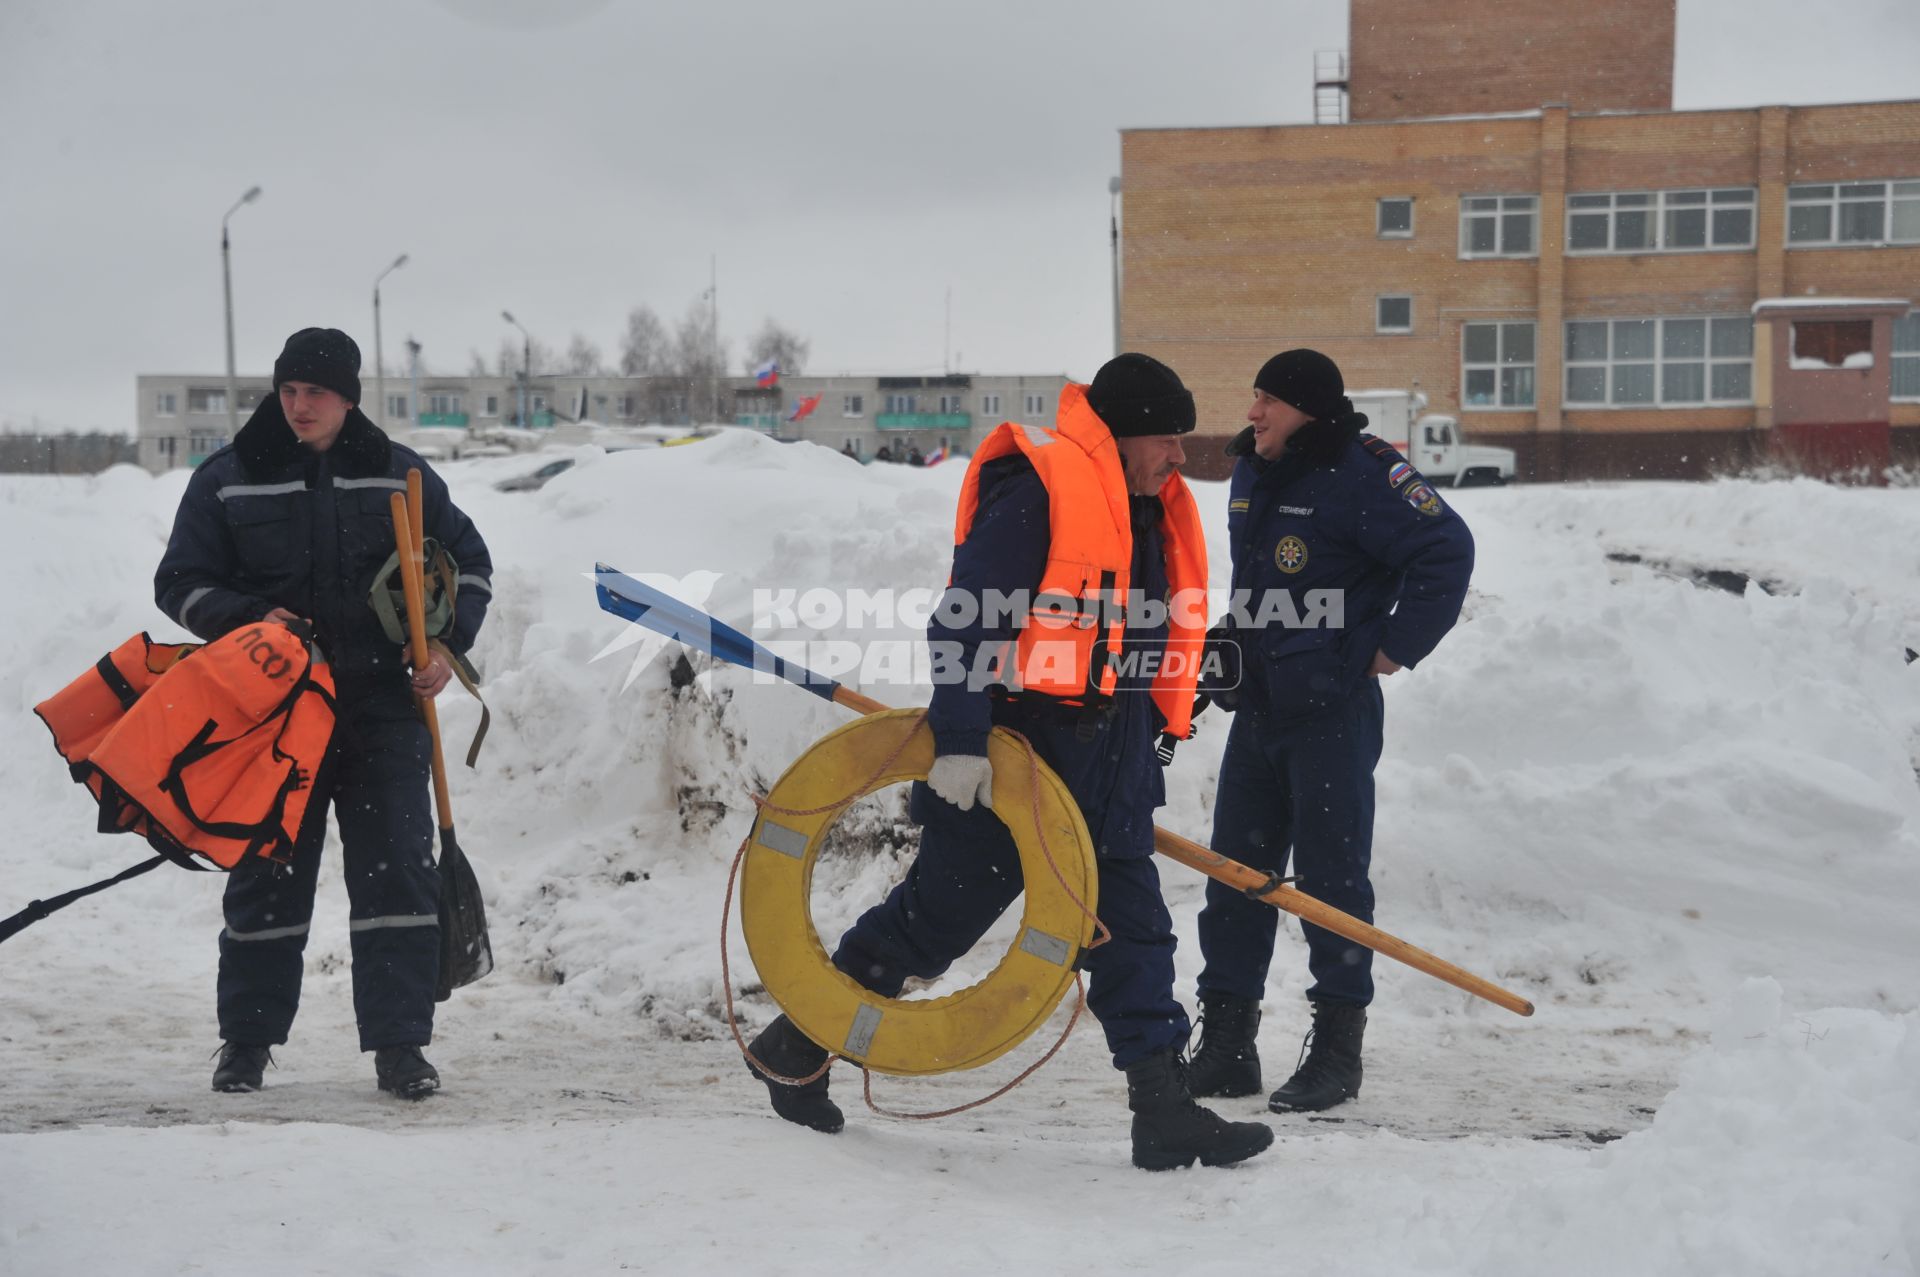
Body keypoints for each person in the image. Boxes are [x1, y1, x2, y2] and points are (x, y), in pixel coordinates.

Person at [746, 354, 1273, 1171]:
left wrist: (1168, 715)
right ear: (1128, 433)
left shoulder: (1145, 507)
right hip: (1020, 751)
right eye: (1167, 439)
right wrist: (959, 741)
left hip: (1111, 755)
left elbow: (1133, 634)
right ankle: (796, 1044)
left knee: (1133, 932)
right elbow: (965, 622)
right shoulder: (1041, 486)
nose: (1178, 458)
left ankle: (1162, 1108)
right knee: (932, 924)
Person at [154, 327, 492, 1100]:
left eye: (316, 392)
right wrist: (251, 619)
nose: (299, 405)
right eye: (289, 390)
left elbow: (469, 562)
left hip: (382, 710)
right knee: (266, 879)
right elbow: (179, 580)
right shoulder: (231, 477)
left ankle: (401, 1047)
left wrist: (446, 646)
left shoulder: (399, 476)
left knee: (399, 879)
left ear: (348, 397)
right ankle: (245, 1041)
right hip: (275, 716)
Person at [1183, 349, 1473, 1114]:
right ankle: (1226, 1045)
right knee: (1234, 879)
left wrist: (1392, 646)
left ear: (1306, 409)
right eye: (1253, 398)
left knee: (1331, 882)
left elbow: (1448, 549)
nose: (1252, 415)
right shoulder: (1254, 469)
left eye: (1267, 402)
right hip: (1261, 711)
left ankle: (1338, 1053)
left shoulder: (1363, 472)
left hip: (1331, 716)